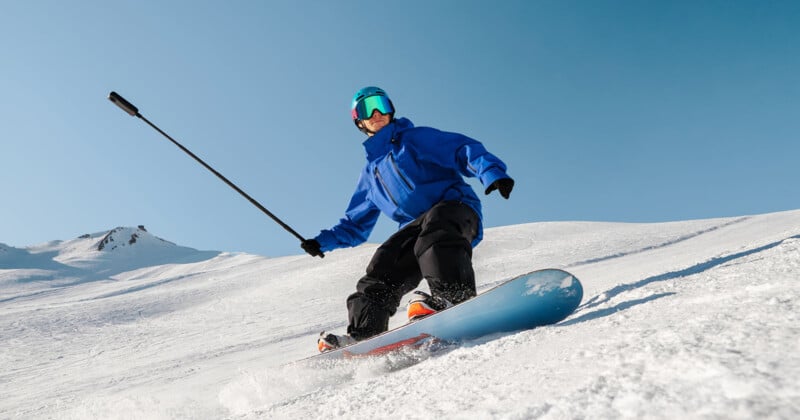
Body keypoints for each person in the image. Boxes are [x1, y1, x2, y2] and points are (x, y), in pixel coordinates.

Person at [302, 86, 514, 352]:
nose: (377, 113)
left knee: (435, 236)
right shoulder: (370, 175)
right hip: (415, 228)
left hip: (455, 209)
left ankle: (453, 300)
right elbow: (354, 225)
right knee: (383, 265)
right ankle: (365, 335)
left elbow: (461, 149)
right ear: (359, 121)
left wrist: (492, 172)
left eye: (382, 104)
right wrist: (322, 242)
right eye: (367, 109)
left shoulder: (412, 139)